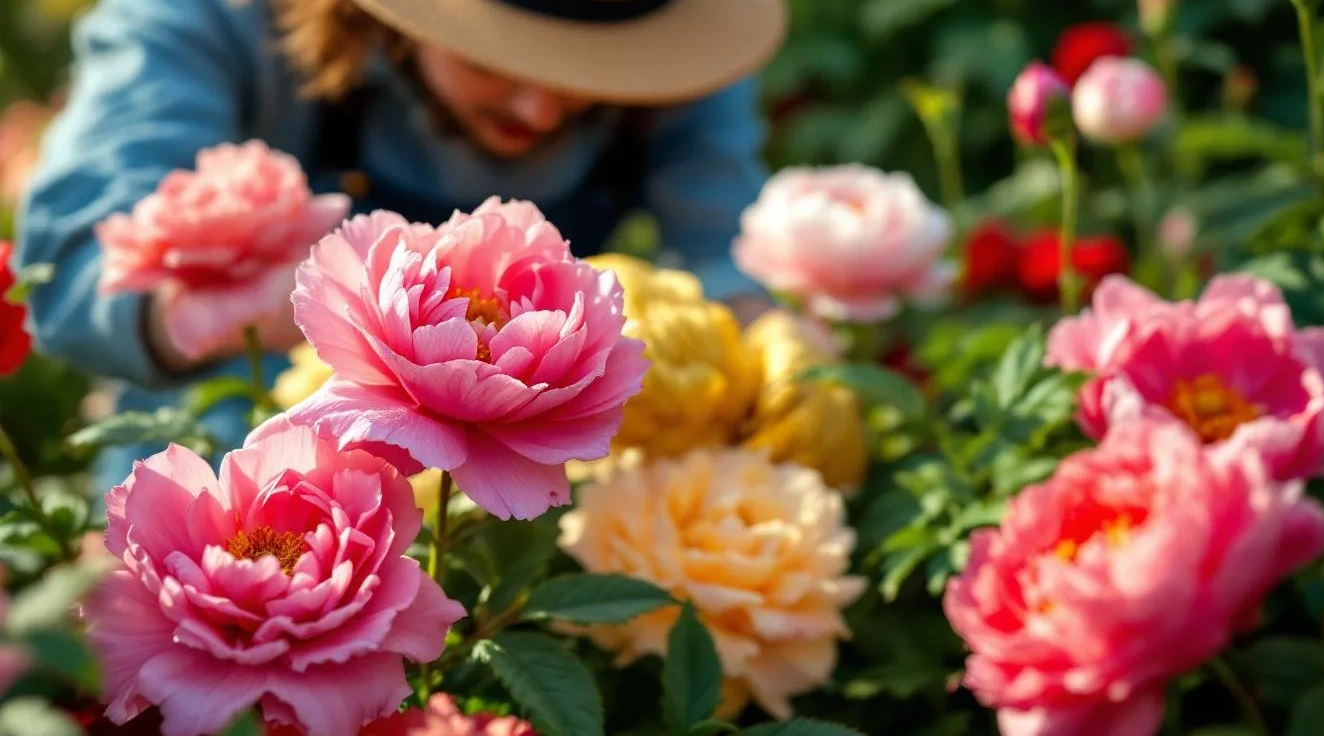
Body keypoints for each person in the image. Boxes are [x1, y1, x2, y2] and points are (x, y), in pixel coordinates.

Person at [16, 0, 784, 490]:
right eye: (496, 58)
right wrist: (216, 313)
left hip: (514, 505)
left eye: (591, 71)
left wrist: (774, 337)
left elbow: (726, 243)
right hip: (234, 485)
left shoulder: (661, 43)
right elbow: (72, 269)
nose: (544, 106)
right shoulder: (205, 19)